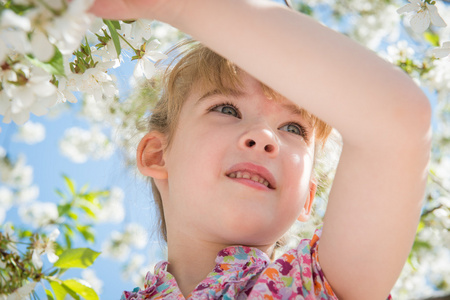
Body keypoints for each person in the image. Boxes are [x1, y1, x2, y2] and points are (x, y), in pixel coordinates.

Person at [90, 0, 432, 299]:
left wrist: (179, 6)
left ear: (307, 199)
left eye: (293, 129)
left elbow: (395, 121)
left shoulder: (320, 286)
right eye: (226, 109)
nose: (265, 136)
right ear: (157, 154)